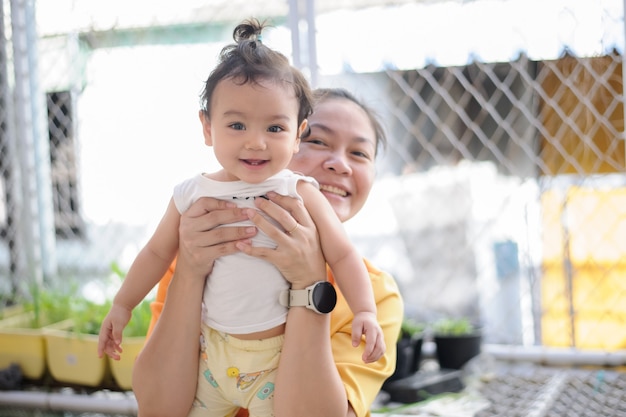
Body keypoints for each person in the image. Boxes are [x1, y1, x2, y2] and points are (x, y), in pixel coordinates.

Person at [98, 19, 386, 416]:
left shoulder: (299, 192)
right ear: (207, 127)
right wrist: (122, 304)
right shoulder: (194, 208)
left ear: (295, 133)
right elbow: (153, 252)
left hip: (273, 362)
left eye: (274, 127)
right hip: (211, 349)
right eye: (237, 124)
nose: (256, 141)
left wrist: (358, 307)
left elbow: (343, 254)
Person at [134, 82, 404, 417]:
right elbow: (158, 409)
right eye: (317, 142)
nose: (340, 164)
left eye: (360, 153)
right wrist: (190, 272)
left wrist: (309, 284)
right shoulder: (201, 250)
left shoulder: (375, 296)